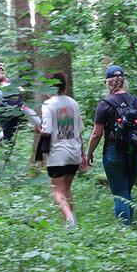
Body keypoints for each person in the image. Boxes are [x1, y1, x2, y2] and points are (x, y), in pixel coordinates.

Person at [86, 65, 137, 226]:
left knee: (120, 194)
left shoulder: (105, 105)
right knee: (126, 192)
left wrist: (89, 154)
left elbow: (96, 134)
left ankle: (126, 235)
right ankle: (130, 232)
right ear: (124, 81)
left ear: (108, 83)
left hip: (113, 154)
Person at [38, 72, 85, 227]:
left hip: (58, 153)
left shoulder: (48, 104)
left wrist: (37, 128)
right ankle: (69, 223)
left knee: (57, 190)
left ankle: (70, 219)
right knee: (67, 189)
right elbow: (79, 132)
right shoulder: (73, 103)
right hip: (74, 152)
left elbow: (46, 131)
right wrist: (83, 155)